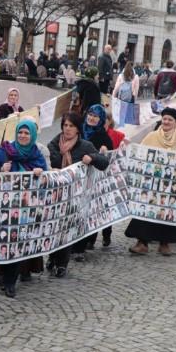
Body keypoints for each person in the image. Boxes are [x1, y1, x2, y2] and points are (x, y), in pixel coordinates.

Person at [0, 118, 46, 297]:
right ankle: (4, 274)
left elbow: (46, 176)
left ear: (32, 135)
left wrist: (39, 173)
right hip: (5, 206)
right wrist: (0, 170)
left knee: (17, 241)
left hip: (25, 208)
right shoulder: (3, 151)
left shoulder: (36, 155)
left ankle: (10, 281)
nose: (23, 136)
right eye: (20, 132)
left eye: (27, 133)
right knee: (4, 241)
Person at [46, 113, 109, 276]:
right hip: (56, 194)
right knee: (54, 228)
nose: (67, 129)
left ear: (77, 129)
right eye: (65, 125)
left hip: (75, 197)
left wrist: (93, 157)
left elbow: (104, 163)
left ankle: (62, 264)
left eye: (71, 126)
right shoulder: (54, 143)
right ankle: (52, 257)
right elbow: (46, 161)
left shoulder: (85, 145)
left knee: (67, 229)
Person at [127, 107, 176, 256]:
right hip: (152, 184)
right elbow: (140, 154)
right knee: (145, 212)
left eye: (170, 119)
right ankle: (142, 243)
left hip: (173, 185)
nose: (166, 122)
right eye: (164, 119)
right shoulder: (152, 136)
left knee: (168, 212)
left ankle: (164, 243)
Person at [79, 104, 114, 250]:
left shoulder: (103, 136)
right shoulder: (79, 130)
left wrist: (105, 150)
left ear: (101, 119)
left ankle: (97, 236)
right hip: (81, 177)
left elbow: (109, 157)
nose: (92, 118)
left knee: (96, 207)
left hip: (96, 178)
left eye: (95, 116)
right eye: (90, 115)